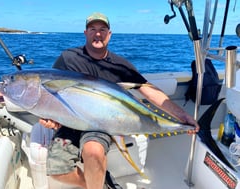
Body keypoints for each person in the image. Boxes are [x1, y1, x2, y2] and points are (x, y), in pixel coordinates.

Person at [39, 12, 199, 189]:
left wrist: (182, 116)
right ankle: (102, 183)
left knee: (93, 151)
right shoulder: (68, 58)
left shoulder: (119, 65)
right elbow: (52, 96)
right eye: (93, 29)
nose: (97, 34)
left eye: (102, 29)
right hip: (70, 121)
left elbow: (148, 90)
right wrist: (49, 117)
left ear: (109, 34)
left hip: (102, 122)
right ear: (85, 33)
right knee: (58, 171)